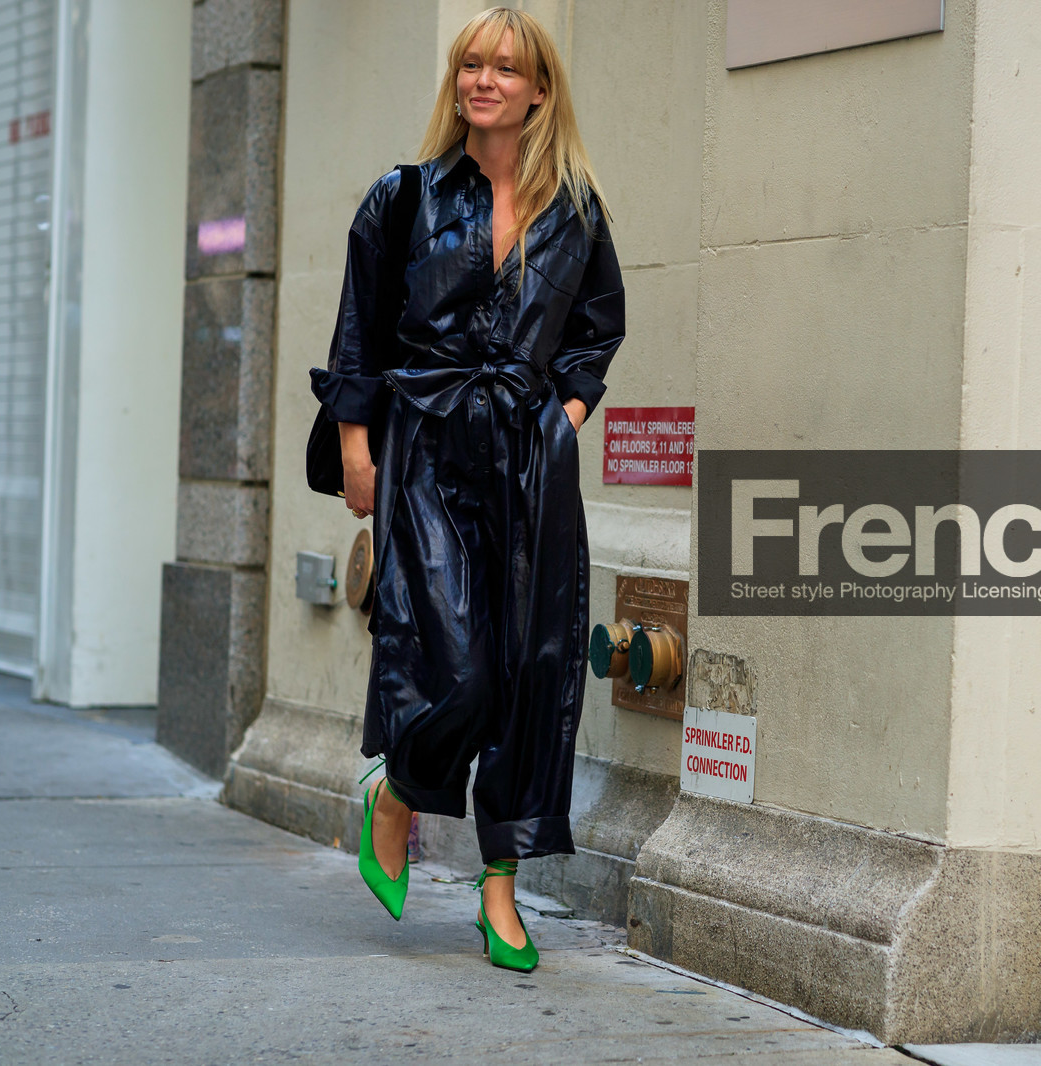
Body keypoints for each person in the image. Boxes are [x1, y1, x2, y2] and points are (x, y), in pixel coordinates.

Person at [309, 7, 624, 973]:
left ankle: (499, 889)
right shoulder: (402, 197)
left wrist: (564, 419)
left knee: (531, 672)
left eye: (506, 68)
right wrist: (358, 452)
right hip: (429, 450)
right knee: (459, 665)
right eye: (471, 64)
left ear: (539, 90)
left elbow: (598, 330)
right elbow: (358, 336)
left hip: (529, 459)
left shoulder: (576, 209)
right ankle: (401, 789)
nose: (484, 80)